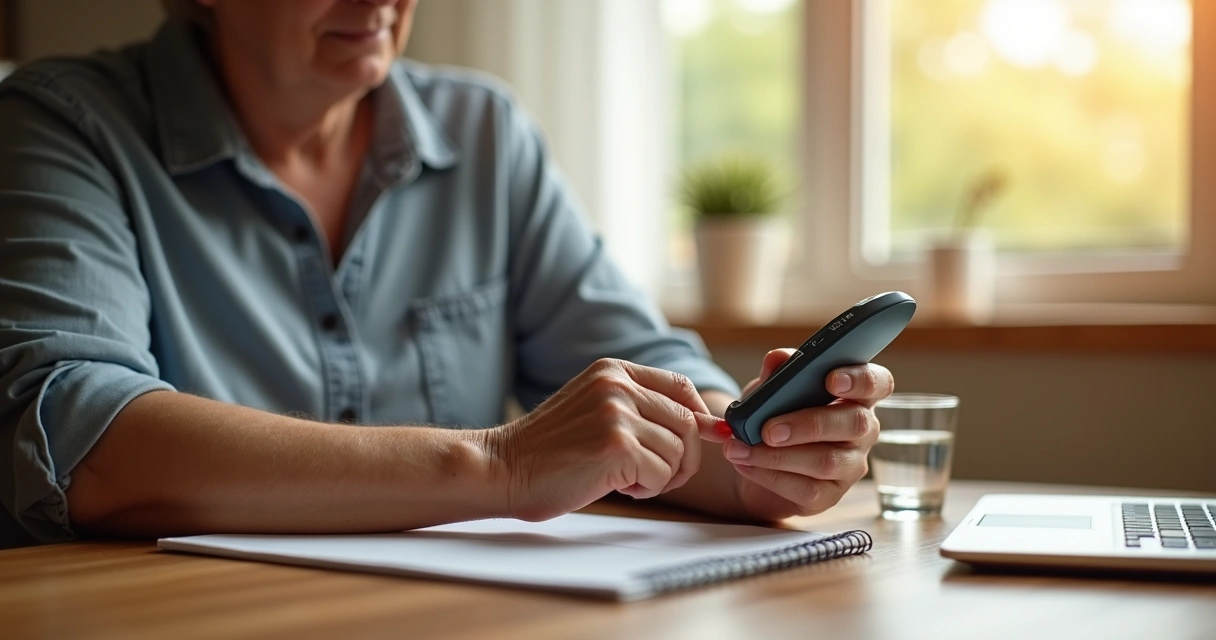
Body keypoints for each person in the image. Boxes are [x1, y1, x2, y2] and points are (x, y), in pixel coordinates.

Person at [0, 0, 891, 548]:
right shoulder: (60, 125)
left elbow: (643, 378)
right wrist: (498, 462)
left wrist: (757, 463)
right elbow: (75, 440)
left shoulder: (482, 134)